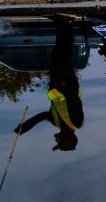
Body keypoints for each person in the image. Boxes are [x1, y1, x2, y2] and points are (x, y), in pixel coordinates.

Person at [15, 15, 83, 151]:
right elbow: (74, 100)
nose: (55, 139)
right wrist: (63, 82)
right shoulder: (76, 123)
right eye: (58, 142)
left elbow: (43, 116)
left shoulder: (57, 123)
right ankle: (65, 24)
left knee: (59, 53)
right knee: (62, 54)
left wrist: (22, 129)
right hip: (66, 82)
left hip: (57, 82)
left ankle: (65, 24)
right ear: (65, 139)